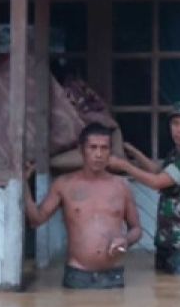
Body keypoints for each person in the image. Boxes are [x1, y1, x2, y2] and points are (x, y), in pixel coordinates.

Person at [24, 122, 142, 289]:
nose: (98, 154)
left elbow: (136, 229)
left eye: (104, 148)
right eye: (92, 147)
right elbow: (36, 219)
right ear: (81, 150)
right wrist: (24, 184)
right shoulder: (64, 184)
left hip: (113, 274)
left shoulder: (121, 186)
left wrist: (125, 240)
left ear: (110, 152)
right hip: (78, 274)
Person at [109, 102, 180, 275]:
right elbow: (158, 171)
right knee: (166, 291)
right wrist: (135, 153)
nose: (179, 129)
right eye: (175, 123)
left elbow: (157, 182)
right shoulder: (178, 152)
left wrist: (125, 166)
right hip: (168, 237)